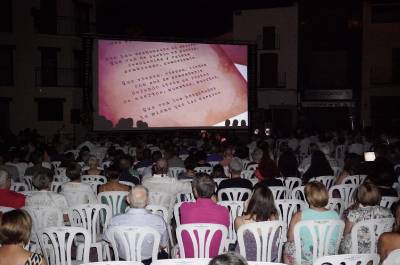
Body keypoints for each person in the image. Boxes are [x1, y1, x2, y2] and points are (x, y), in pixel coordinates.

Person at [104, 186, 168, 265]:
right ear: (148, 201)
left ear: (128, 199)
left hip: (122, 261)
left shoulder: (115, 220)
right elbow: (163, 244)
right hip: (150, 261)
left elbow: (109, 240)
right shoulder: (158, 221)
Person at [283, 181, 340, 265]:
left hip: (306, 259)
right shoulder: (335, 215)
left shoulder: (299, 216)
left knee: (286, 248)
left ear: (308, 197)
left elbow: (290, 239)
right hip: (328, 257)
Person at [180, 173, 230, 258]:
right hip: (215, 260)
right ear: (213, 190)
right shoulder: (224, 211)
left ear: (195, 191)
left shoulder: (184, 207)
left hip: (190, 259)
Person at [340, 182, 392, 254]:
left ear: (359, 196)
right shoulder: (388, 212)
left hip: (355, 251)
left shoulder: (354, 214)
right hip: (378, 249)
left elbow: (345, 233)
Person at [234, 186, 279, 261]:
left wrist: (245, 210)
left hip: (246, 261)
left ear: (252, 201)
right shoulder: (275, 217)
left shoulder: (239, 220)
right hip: (270, 259)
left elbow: (239, 235)